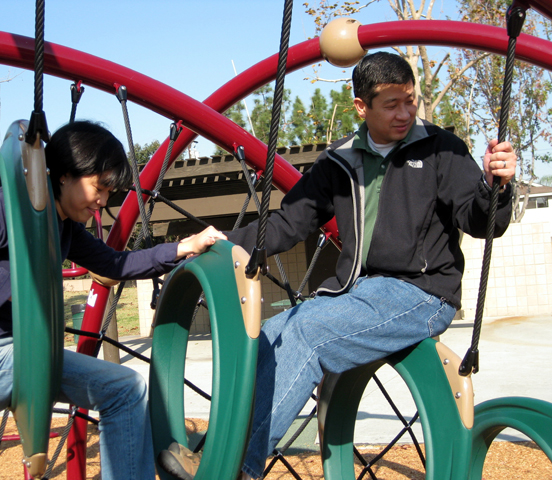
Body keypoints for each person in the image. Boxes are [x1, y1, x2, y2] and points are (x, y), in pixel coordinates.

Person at [157, 52, 517, 480]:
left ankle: (236, 467)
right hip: (359, 291)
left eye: (411, 101)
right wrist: (221, 243)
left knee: (308, 333)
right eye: (392, 104)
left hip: (421, 293)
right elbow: (289, 223)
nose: (405, 113)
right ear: (361, 107)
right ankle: (219, 452)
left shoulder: (441, 149)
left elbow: (482, 222)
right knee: (270, 334)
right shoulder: (340, 160)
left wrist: (496, 187)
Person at [0, 121, 227, 480]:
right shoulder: (12, 208)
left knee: (125, 389)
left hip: (2, 352)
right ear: (65, 175)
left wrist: (184, 246)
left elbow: (115, 262)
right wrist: (9, 291)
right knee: (122, 389)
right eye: (98, 187)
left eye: (109, 192)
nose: (102, 201)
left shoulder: (63, 225)